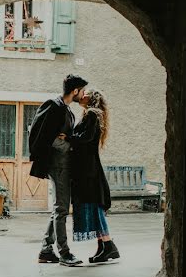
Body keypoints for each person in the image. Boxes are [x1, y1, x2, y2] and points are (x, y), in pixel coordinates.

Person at [29, 74, 88, 266]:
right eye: (83, 90)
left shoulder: (65, 109)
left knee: (59, 208)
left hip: (64, 164)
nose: (84, 94)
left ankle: (46, 250)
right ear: (75, 91)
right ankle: (64, 253)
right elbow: (47, 138)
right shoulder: (54, 107)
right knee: (61, 209)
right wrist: (70, 147)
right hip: (59, 165)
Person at [61, 89, 121, 263]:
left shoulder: (93, 115)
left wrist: (68, 138)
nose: (82, 95)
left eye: (85, 93)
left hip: (89, 171)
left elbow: (86, 138)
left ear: (91, 97)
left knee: (95, 207)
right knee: (94, 207)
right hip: (87, 169)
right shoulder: (91, 114)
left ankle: (108, 245)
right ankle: (103, 247)